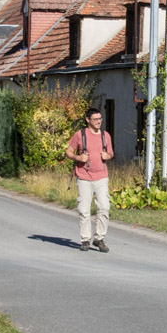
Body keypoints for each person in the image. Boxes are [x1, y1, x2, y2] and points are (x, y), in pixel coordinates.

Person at [65, 107, 114, 252]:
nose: (99, 122)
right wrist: (78, 157)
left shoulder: (106, 135)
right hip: (84, 177)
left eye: (100, 119)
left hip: (101, 176)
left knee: (104, 207)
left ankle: (99, 238)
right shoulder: (80, 135)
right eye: (95, 119)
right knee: (84, 210)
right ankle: (85, 239)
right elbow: (68, 151)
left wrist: (108, 156)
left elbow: (111, 152)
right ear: (88, 120)